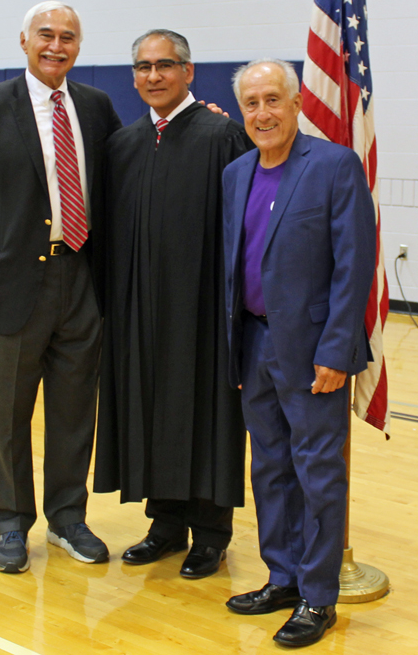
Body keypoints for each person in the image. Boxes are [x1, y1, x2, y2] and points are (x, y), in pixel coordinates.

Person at [0, 1, 121, 573]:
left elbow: (131, 167)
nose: (57, 45)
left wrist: (198, 121)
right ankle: (11, 525)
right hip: (10, 288)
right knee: (6, 416)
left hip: (80, 280)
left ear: (78, 47)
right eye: (46, 35)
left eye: (68, 37)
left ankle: (68, 518)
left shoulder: (95, 107)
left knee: (74, 412)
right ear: (23, 41)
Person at [222, 59, 376, 646]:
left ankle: (317, 596)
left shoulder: (334, 166)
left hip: (315, 351)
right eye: (251, 104)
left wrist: (337, 351)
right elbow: (234, 268)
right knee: (270, 469)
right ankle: (281, 576)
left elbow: (352, 267)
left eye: (272, 100)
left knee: (316, 473)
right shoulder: (236, 173)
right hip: (255, 344)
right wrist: (235, 348)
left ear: (294, 105)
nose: (262, 113)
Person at [94, 30, 251, 579]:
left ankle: (210, 534)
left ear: (189, 71)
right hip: (139, 308)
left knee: (205, 411)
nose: (153, 76)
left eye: (165, 65)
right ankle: (164, 524)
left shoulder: (223, 136)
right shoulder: (123, 145)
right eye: (142, 67)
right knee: (150, 406)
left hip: (204, 311)